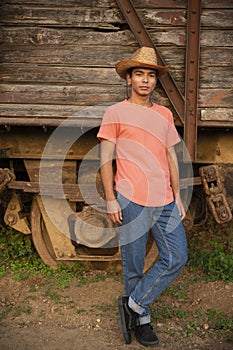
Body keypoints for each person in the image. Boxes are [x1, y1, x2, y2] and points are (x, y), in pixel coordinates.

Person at [97, 46, 188, 347]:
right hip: (131, 199)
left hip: (164, 200)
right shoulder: (116, 112)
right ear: (129, 79)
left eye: (150, 75)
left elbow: (172, 157)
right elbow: (105, 158)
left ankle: (132, 304)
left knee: (176, 257)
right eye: (139, 74)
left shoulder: (163, 114)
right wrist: (110, 198)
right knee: (133, 264)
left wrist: (178, 196)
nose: (146, 81)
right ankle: (143, 321)